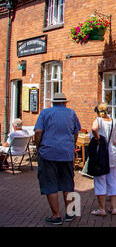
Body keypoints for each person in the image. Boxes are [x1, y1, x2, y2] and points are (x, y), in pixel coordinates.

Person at [34, 93, 81, 225]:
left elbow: (38, 132)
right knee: (68, 183)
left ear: (53, 102)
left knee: (50, 184)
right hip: (66, 153)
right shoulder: (71, 113)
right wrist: (71, 146)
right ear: (65, 103)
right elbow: (76, 132)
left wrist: (39, 148)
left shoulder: (45, 113)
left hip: (48, 153)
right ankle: (70, 213)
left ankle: (56, 215)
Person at [90, 103, 116, 217]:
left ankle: (101, 209)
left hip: (101, 154)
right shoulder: (114, 121)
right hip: (113, 153)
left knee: (100, 180)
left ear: (98, 112)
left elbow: (94, 129)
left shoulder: (98, 120)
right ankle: (113, 207)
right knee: (113, 180)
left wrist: (98, 139)